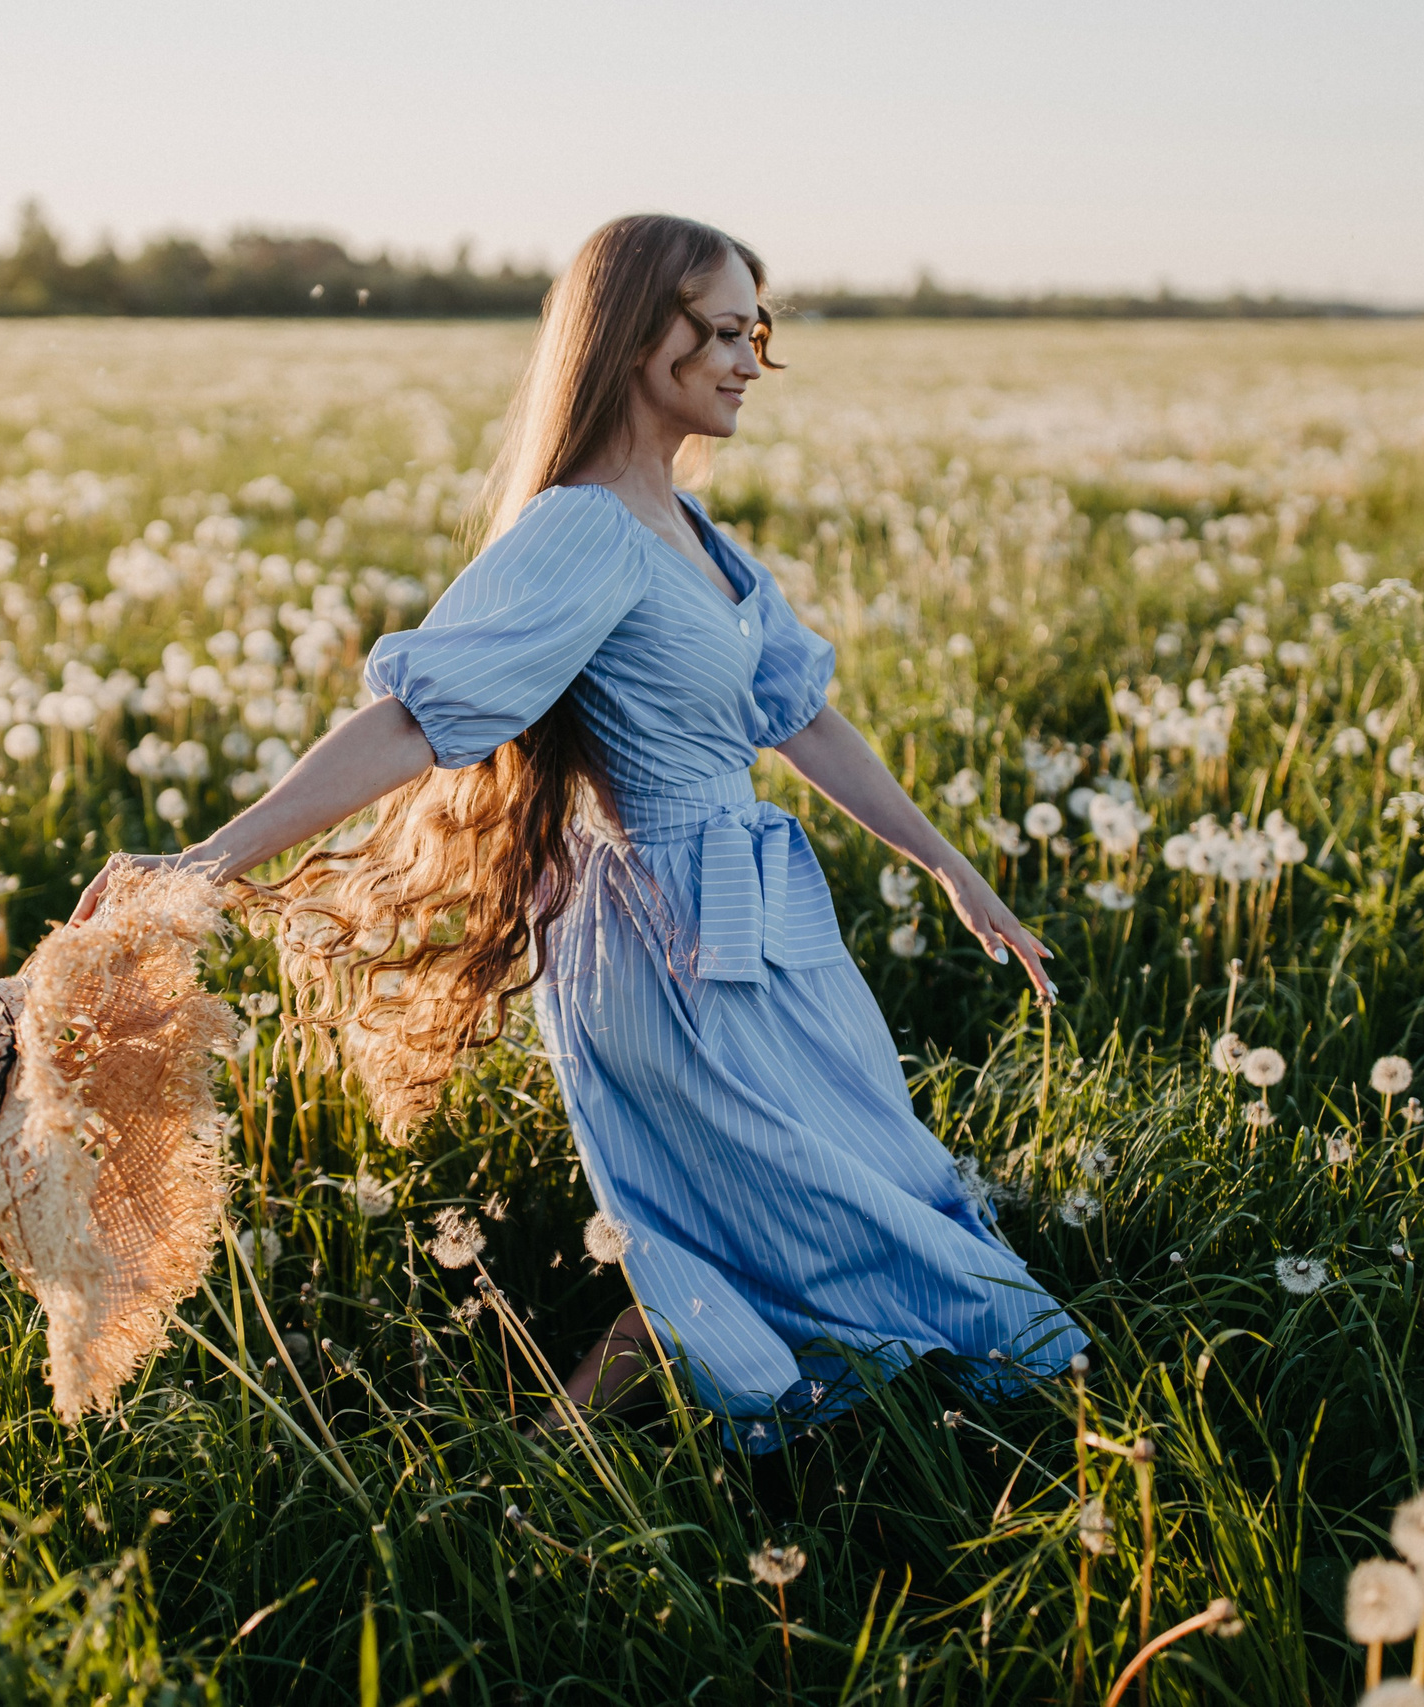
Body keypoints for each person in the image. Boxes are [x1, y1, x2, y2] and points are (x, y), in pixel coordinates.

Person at [74, 212, 1085, 1451]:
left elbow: (803, 717)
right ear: (632, 335)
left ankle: (561, 1468)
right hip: (661, 944)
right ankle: (594, 1473)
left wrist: (952, 867)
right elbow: (416, 717)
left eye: (755, 331)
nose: (748, 361)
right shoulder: (581, 531)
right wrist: (203, 863)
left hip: (763, 926)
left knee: (836, 1189)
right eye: (721, 331)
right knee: (808, 1209)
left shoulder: (696, 536)